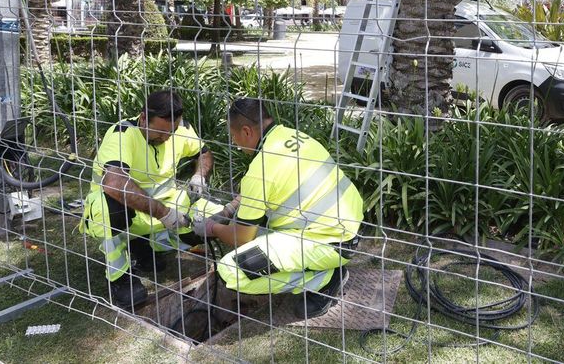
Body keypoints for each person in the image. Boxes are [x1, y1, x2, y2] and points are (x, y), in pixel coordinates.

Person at [190, 98, 364, 318]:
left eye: (234, 136)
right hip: (350, 228)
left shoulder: (259, 169)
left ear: (246, 131)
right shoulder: (293, 136)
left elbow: (242, 237)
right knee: (259, 235)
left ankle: (324, 280)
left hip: (329, 243)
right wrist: (229, 209)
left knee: (230, 271)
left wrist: (212, 228)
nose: (235, 143)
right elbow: (274, 184)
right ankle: (323, 268)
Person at [80, 90, 225, 309]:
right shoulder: (122, 134)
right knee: (109, 209)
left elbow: (203, 153)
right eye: (160, 131)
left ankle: (145, 245)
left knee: (214, 218)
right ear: (144, 117)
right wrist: (165, 214)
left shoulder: (180, 129)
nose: (167, 137)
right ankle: (120, 277)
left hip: (165, 208)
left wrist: (199, 176)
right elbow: (114, 184)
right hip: (130, 211)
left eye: (171, 131)